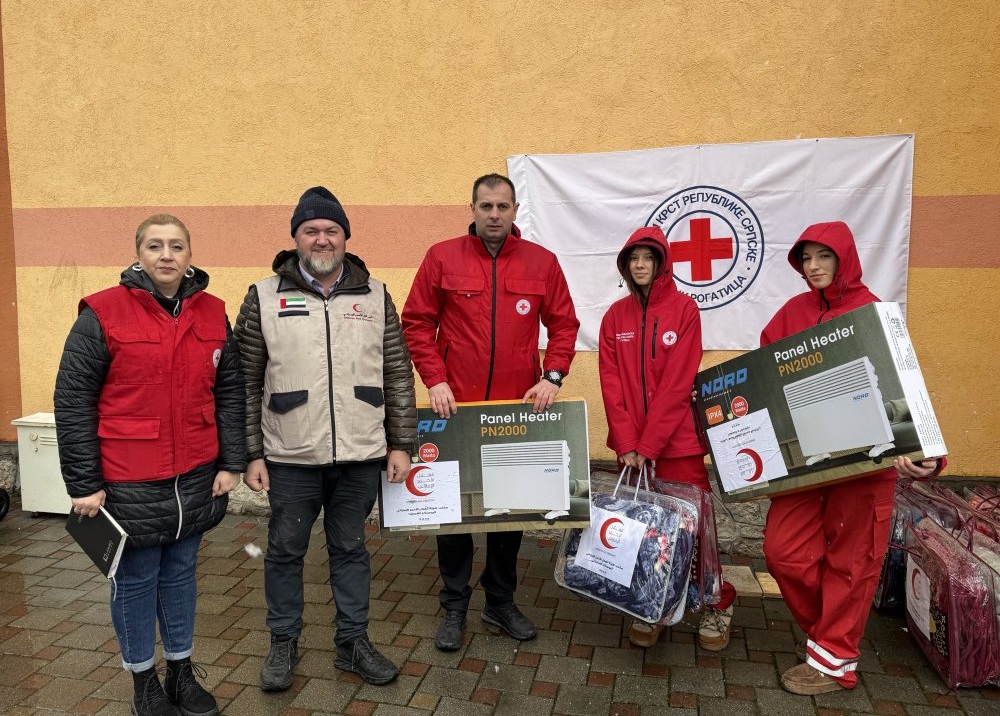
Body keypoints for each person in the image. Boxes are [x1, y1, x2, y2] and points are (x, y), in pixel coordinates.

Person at [54, 214, 245, 716]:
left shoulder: (213, 312)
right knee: (136, 580)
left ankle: (181, 670)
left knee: (181, 574)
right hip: (127, 476)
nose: (166, 255)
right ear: (138, 254)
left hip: (196, 472)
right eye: (155, 246)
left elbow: (229, 391)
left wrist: (232, 461)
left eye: (176, 246)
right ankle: (144, 680)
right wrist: (84, 482)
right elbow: (73, 401)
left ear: (190, 255)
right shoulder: (102, 313)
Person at [234, 186, 416, 690]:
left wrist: (400, 443)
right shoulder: (263, 296)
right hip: (290, 454)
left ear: (345, 237)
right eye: (311, 230)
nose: (322, 239)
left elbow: (398, 372)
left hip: (360, 452)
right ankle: (282, 643)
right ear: (295, 238)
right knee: (285, 552)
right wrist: (250, 453)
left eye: (331, 230)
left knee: (351, 549)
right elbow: (244, 380)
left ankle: (352, 643)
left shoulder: (375, 294)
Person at [760, 221, 943, 695]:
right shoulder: (789, 315)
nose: (813, 266)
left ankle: (833, 659)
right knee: (783, 553)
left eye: (824, 256)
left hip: (867, 466)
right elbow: (763, 384)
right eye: (806, 258)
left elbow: (907, 385)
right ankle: (828, 637)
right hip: (806, 463)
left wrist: (928, 454)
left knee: (853, 562)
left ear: (845, 258)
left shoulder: (875, 313)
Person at [401, 172, 580, 651]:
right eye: (486, 206)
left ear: (516, 209)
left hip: (514, 413)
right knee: (453, 514)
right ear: (473, 209)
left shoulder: (542, 262)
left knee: (508, 511)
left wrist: (552, 376)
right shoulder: (442, 257)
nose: (494, 215)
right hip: (456, 411)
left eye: (503, 206)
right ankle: (454, 606)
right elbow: (416, 322)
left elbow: (564, 325)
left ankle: (500, 601)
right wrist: (435, 379)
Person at [598, 226, 738, 651]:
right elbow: (611, 383)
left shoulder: (684, 310)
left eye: (648, 258)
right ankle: (653, 604)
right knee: (645, 532)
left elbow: (678, 383)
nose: (640, 265)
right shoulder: (614, 317)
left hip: (677, 446)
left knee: (695, 532)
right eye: (633, 258)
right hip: (631, 452)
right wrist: (627, 444)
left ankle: (715, 604)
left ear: (662, 264)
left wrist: (649, 445)